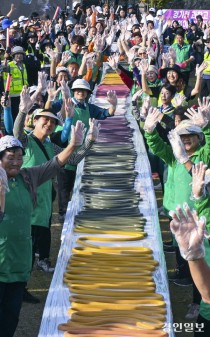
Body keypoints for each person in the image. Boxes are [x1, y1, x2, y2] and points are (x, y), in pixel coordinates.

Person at [0, 119, 99, 337]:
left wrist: (74, 144)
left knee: (10, 318)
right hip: (0, 263)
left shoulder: (27, 177)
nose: (16, 162)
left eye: (19, 157)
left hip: (19, 263)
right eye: (10, 158)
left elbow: (54, 164)